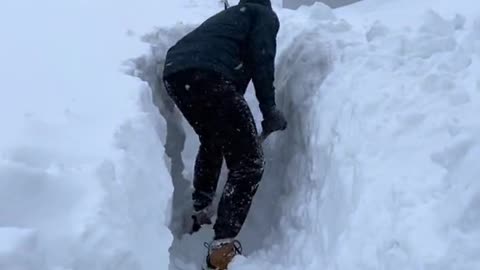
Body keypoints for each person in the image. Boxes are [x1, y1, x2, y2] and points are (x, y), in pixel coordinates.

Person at [162, 0, 287, 269]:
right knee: (249, 162)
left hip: (176, 71)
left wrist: (236, 125)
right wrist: (269, 110)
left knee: (213, 138)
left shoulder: (234, 16)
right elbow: (262, 60)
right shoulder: (262, 14)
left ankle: (201, 210)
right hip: (207, 73)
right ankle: (222, 248)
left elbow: (234, 81)